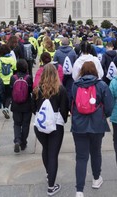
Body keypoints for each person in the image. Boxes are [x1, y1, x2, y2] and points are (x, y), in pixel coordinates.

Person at [71, 61, 114, 197]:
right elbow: (109, 107)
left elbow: (71, 104)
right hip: (97, 124)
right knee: (96, 152)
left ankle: (79, 190)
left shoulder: (75, 85)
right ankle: (96, 179)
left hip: (79, 125)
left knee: (81, 157)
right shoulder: (101, 85)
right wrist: (102, 115)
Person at [32, 63, 69, 196]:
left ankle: (49, 174)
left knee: (46, 150)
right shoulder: (61, 89)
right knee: (53, 155)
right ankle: (51, 186)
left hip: (40, 126)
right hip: (55, 126)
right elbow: (65, 109)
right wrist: (63, 121)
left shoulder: (37, 89)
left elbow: (33, 108)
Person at [10, 59, 33, 153]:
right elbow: (31, 90)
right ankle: (23, 142)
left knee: (16, 123)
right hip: (27, 104)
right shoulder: (28, 78)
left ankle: (17, 140)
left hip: (16, 104)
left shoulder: (13, 77)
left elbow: (11, 90)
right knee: (25, 124)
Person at [0, 44, 17, 119]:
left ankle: (4, 107)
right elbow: (14, 69)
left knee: (3, 96)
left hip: (1, 81)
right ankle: (6, 108)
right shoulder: (12, 60)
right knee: (9, 96)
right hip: (10, 80)